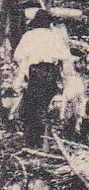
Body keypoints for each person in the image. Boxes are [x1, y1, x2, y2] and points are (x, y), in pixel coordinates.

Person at [8, 9, 75, 148]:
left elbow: (18, 56)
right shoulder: (55, 36)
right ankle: (44, 140)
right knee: (44, 105)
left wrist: (23, 74)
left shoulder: (29, 36)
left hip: (36, 72)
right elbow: (66, 57)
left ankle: (34, 142)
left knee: (31, 107)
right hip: (51, 72)